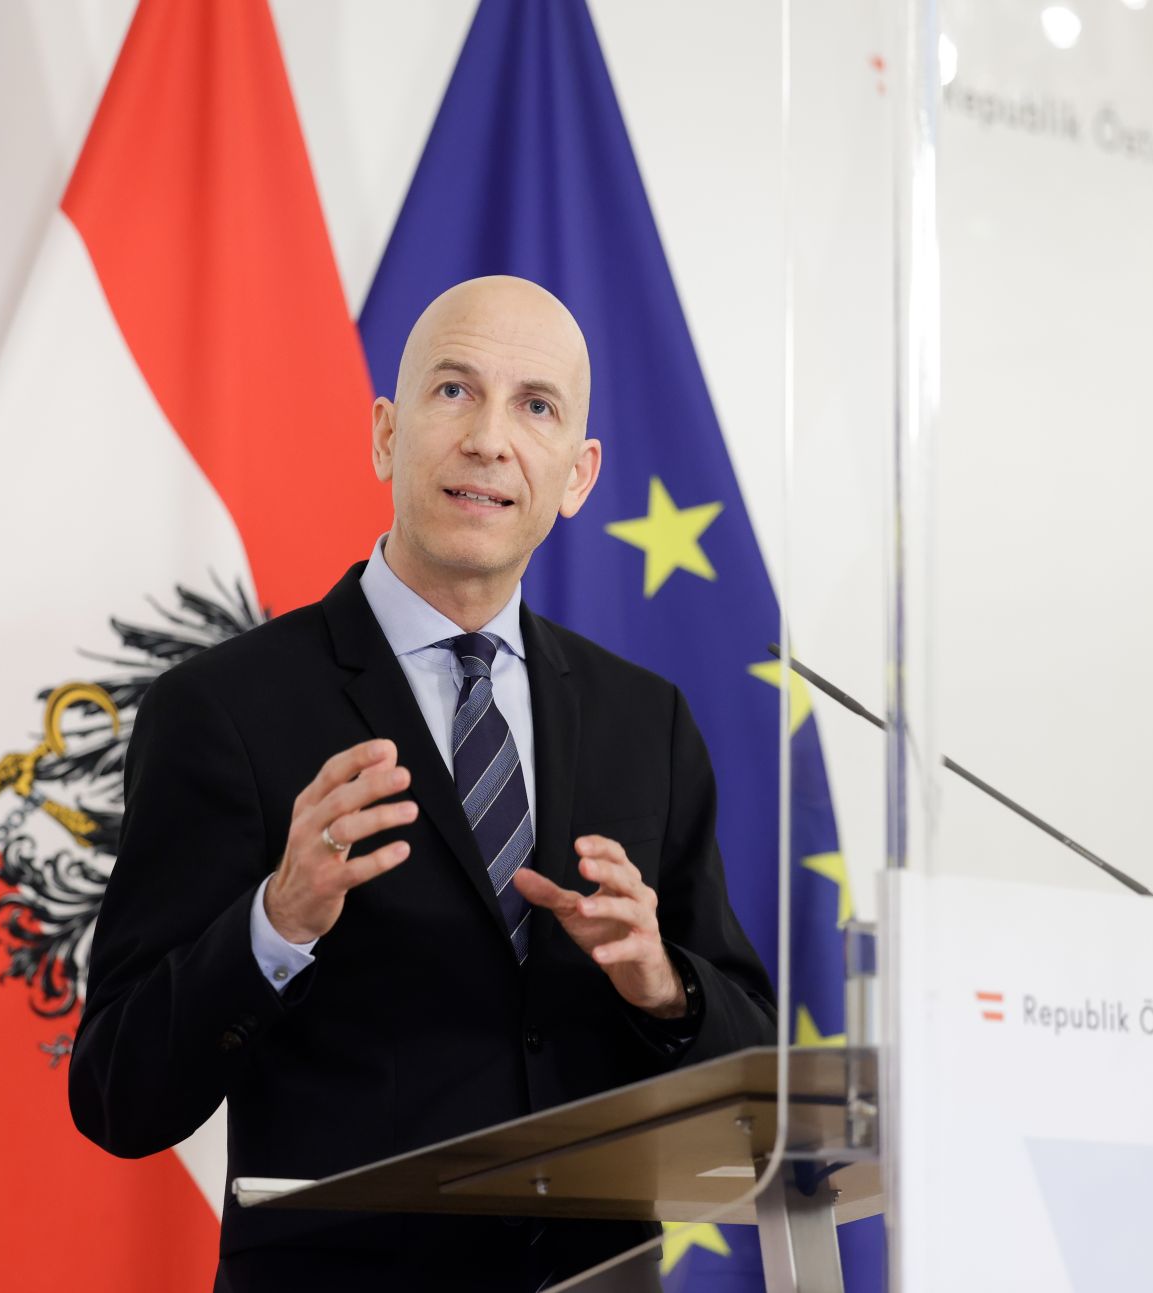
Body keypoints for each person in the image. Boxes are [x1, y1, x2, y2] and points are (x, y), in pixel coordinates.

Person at [69, 276, 775, 1292]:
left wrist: (662, 988)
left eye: (535, 406)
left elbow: (751, 1075)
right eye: (454, 391)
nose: (490, 438)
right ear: (384, 435)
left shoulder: (644, 722)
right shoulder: (225, 710)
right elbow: (119, 1095)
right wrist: (276, 923)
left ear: (576, 474)